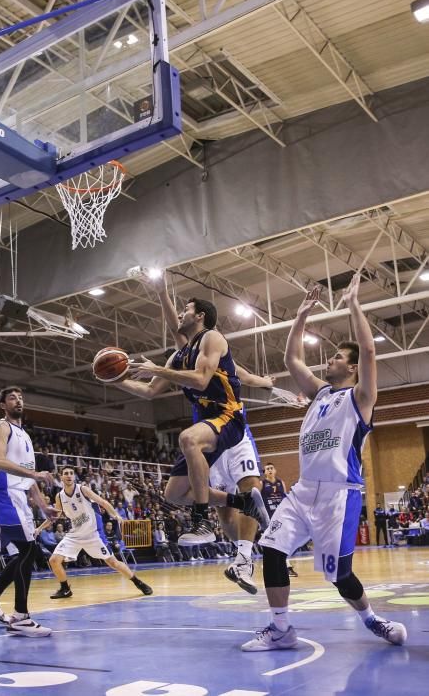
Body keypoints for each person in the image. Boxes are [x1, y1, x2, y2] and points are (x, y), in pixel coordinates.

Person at [242, 275, 407, 651]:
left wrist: (352, 304)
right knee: (272, 549)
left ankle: (372, 619)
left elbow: (368, 351)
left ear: (350, 369)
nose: (329, 360)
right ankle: (281, 629)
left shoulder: (360, 398)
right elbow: (291, 359)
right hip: (303, 491)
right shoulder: (319, 393)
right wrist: (299, 316)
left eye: (336, 357)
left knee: (340, 575)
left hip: (338, 494)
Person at [114, 290, 269, 546]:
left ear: (200, 316)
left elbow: (201, 380)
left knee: (187, 439)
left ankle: (202, 522)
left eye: (185, 309)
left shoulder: (212, 338)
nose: (179, 314)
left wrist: (157, 368)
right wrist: (117, 381)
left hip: (229, 417)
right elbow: (150, 390)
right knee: (174, 494)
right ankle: (242, 501)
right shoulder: (178, 357)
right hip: (207, 427)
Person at [0, 386, 58, 637]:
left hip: (18, 498)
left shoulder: (25, 435)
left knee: (24, 555)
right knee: (27, 552)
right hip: (3, 494)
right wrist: (34, 473)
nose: (18, 400)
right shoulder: (2, 427)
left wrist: (44, 507)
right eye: (12, 398)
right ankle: (20, 617)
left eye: (21, 397)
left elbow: (29, 479)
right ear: (2, 405)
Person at [44, 466, 153, 599]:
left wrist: (116, 515)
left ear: (74, 476)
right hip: (74, 535)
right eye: (66, 473)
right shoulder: (59, 497)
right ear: (61, 477)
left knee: (113, 563)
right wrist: (38, 529)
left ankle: (138, 582)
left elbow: (102, 502)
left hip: (93, 534)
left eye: (71, 473)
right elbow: (54, 517)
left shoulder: (83, 489)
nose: (69, 475)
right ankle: (65, 589)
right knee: (54, 560)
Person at [261, 464, 298, 577]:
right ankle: (286, 567)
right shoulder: (262, 484)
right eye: (268, 469)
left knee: (286, 540)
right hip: (269, 516)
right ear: (265, 472)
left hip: (282, 514)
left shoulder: (280, 482)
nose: (270, 470)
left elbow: (285, 498)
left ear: (275, 470)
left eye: (272, 468)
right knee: (273, 541)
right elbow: (257, 499)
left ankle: (274, 563)